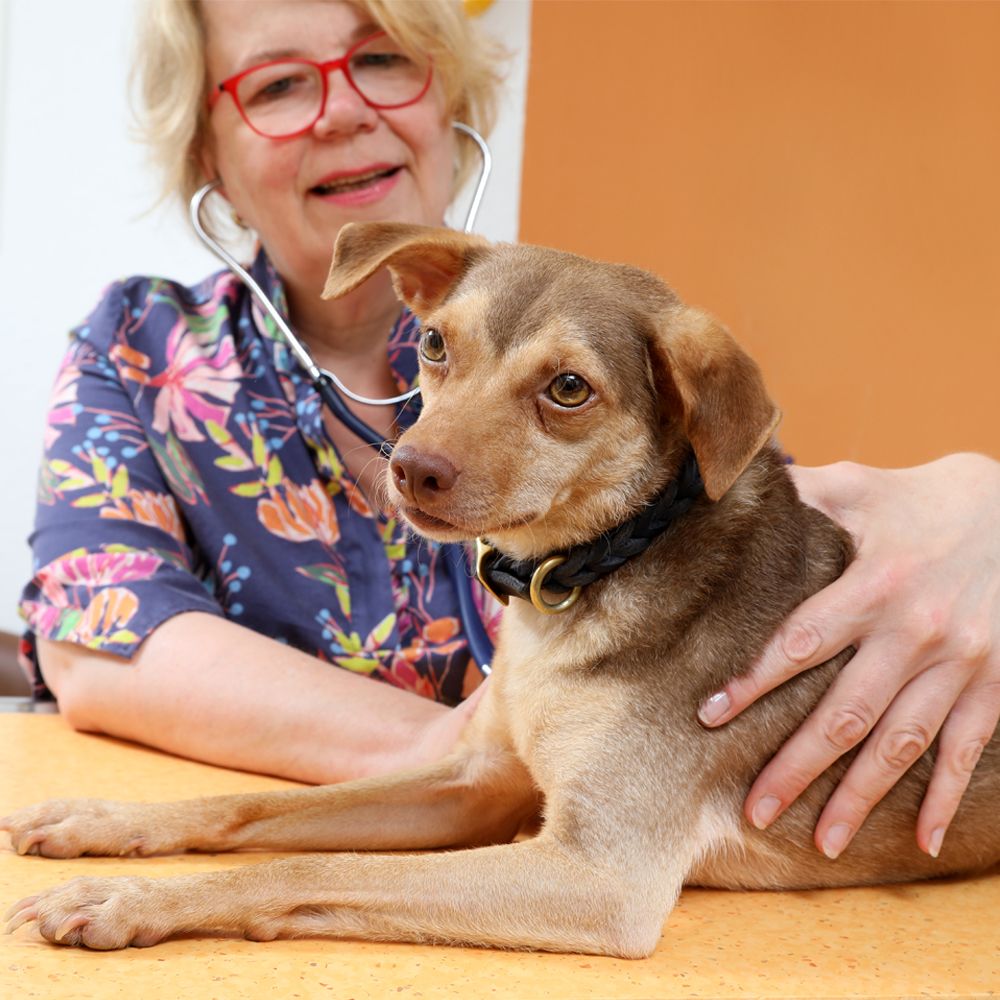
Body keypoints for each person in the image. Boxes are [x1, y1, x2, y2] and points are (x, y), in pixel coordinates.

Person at [17, 0, 1000, 863]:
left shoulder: (604, 322)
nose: (348, 106)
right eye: (277, 85)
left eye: (386, 58)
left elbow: (772, 541)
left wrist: (976, 507)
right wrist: (466, 760)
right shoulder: (141, 348)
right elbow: (103, 639)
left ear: (448, 101)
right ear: (209, 154)